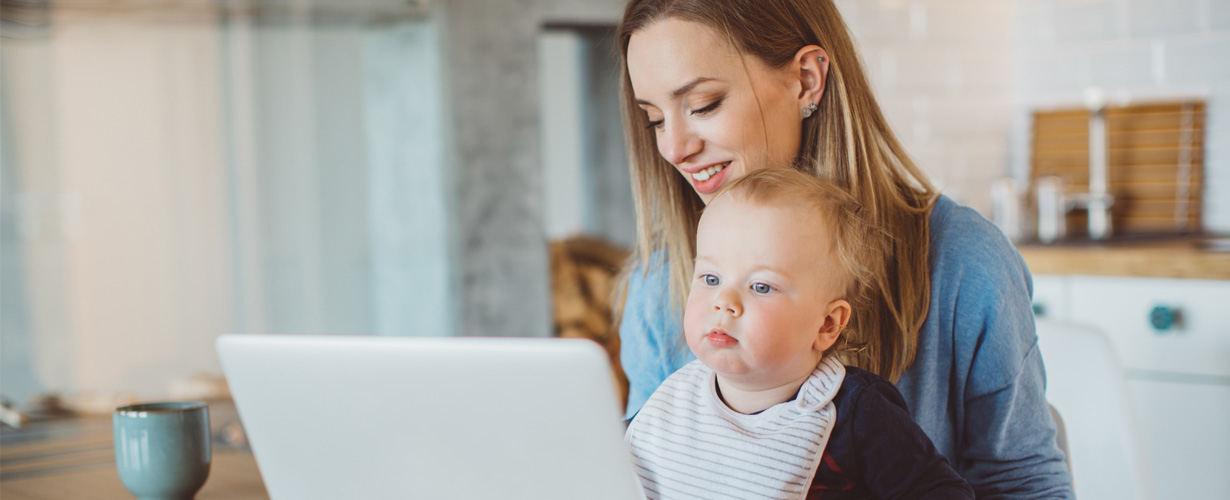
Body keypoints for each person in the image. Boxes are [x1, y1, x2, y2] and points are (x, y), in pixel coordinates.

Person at [614, 0, 1074, 498]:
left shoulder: (966, 262)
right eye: (655, 120)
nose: (674, 149)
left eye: (704, 105)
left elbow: (1022, 483)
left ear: (807, 80)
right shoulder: (658, 283)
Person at [625, 169, 974, 500]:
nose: (724, 302)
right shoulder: (672, 403)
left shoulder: (856, 413)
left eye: (761, 286)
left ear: (827, 325)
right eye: (711, 279)